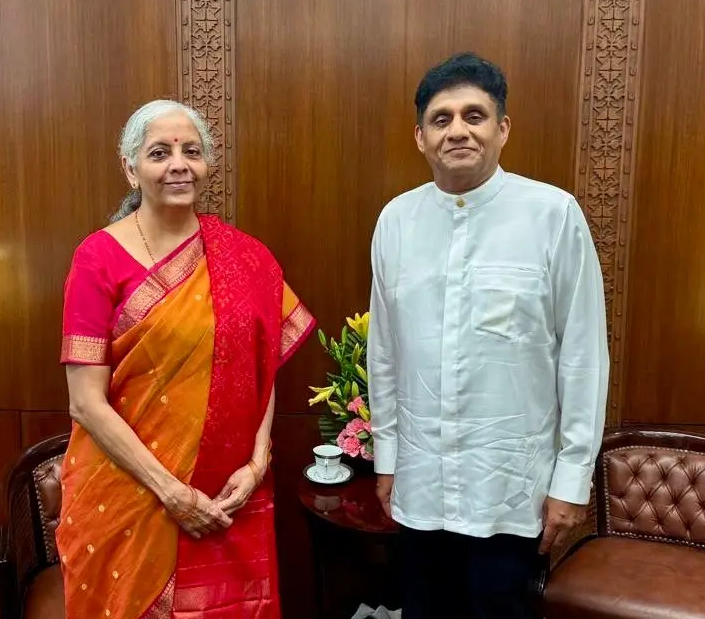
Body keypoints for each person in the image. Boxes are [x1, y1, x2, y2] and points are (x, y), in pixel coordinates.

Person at [367, 53, 609, 618]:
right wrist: (388, 456)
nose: (458, 129)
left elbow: (582, 357)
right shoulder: (396, 221)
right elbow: (385, 354)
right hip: (421, 484)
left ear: (502, 129)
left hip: (510, 489)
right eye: (441, 118)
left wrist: (571, 480)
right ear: (421, 137)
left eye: (474, 115)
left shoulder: (553, 214)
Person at [57, 99, 315, 618]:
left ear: (207, 164)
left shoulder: (247, 257)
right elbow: (85, 404)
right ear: (131, 168)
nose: (178, 163)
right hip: (132, 498)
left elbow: (260, 371)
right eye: (159, 152)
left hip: (230, 497)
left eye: (191, 151)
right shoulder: (97, 258)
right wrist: (172, 493)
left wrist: (258, 461)